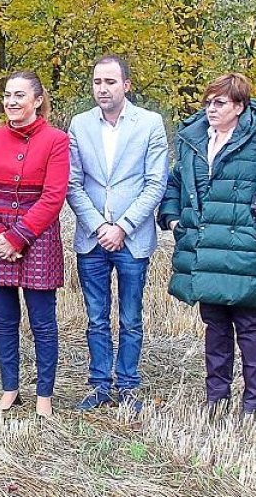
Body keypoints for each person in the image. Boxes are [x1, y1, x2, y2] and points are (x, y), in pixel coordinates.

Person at [158, 73, 256, 420]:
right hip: (204, 249)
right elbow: (175, 183)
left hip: (246, 251)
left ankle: (255, 405)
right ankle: (216, 398)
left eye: (220, 102)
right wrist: (173, 218)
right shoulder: (194, 140)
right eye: (208, 102)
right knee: (215, 326)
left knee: (251, 327)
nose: (211, 108)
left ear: (239, 106)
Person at [66, 55, 168, 410]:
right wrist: (98, 226)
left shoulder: (150, 124)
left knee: (130, 316)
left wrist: (122, 227)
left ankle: (126, 384)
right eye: (97, 82)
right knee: (95, 317)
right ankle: (98, 384)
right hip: (92, 238)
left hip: (133, 239)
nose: (102, 89)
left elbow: (156, 183)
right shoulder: (79, 125)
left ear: (126, 84)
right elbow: (72, 183)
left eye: (110, 82)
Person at [0, 71, 69, 418]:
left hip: (37, 237)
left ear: (37, 100)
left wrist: (18, 237)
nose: (11, 102)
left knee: (43, 322)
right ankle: (10, 387)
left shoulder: (56, 140)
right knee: (4, 321)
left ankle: (44, 393)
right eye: (7, 95)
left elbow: (54, 196)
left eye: (20, 95)